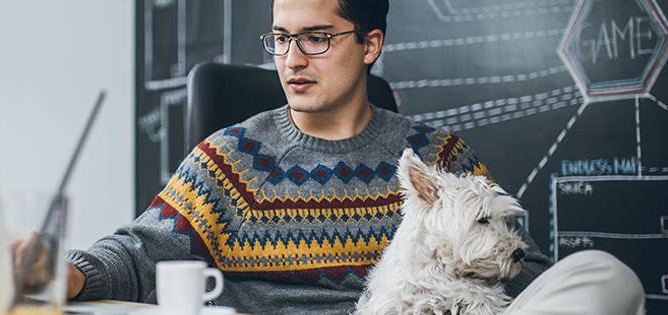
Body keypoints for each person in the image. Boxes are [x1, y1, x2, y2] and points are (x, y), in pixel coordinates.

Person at [58, 0, 646, 314]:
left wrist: (464, 275)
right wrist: (70, 272)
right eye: (281, 38)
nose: (290, 59)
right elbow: (138, 253)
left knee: (605, 275)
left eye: (315, 37)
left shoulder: (440, 154)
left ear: (370, 45)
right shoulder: (232, 157)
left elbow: (527, 270)